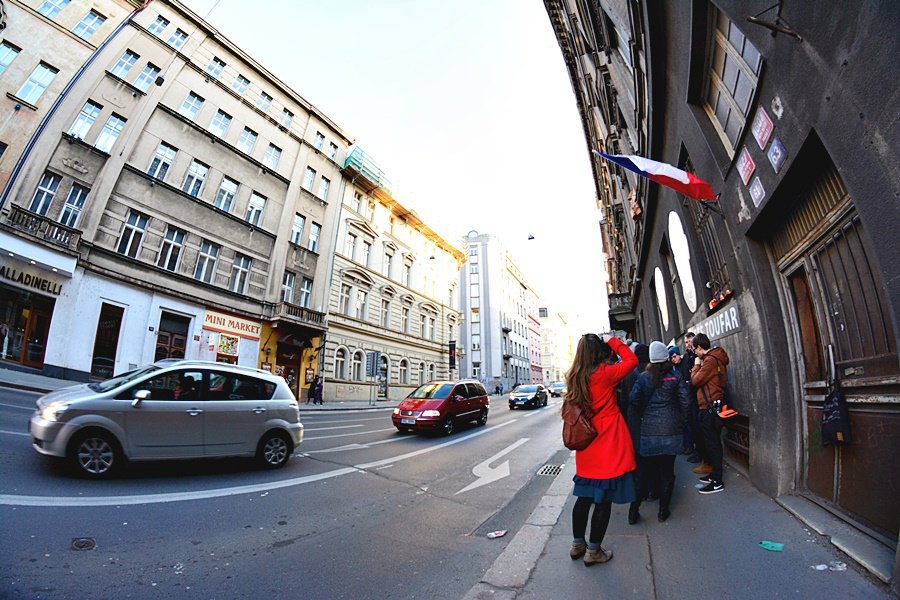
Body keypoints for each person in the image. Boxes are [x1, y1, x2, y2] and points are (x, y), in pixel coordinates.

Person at [564, 333, 638, 566]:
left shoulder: (573, 377)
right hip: (607, 443)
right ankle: (594, 551)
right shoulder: (604, 374)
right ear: (598, 352)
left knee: (583, 498)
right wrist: (613, 341)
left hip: (586, 446)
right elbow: (632, 361)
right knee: (603, 499)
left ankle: (578, 544)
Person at [629, 342, 690, 522]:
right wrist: (681, 421)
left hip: (649, 432)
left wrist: (644, 414)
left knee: (643, 474)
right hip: (671, 431)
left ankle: (634, 511)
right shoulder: (675, 376)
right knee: (667, 473)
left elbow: (634, 399)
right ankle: (663, 511)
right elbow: (686, 402)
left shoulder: (643, 377)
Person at [690, 333, 730, 494]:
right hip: (711, 406)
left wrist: (696, 365)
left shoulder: (709, 361)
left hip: (709, 408)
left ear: (700, 347)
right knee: (711, 442)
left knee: (712, 444)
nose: (694, 353)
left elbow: (695, 381)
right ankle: (714, 474)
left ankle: (717, 480)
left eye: (694, 349)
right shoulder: (714, 358)